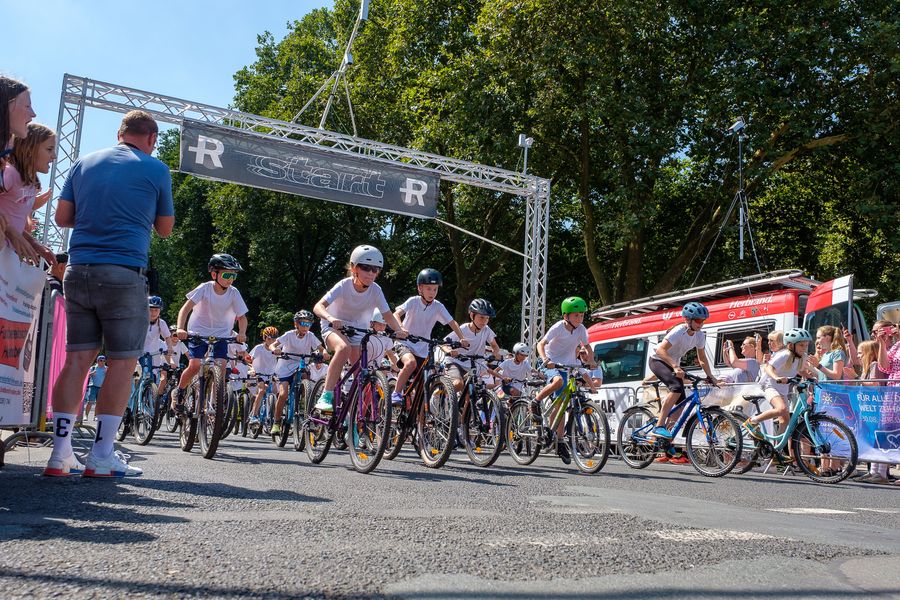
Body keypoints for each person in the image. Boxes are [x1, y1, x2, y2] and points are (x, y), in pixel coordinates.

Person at [44, 110, 174, 477]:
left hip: (78, 270)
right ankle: (101, 455)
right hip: (123, 273)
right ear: (151, 138)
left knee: (76, 361)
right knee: (122, 363)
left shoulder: (84, 162)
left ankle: (60, 454)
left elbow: (62, 217)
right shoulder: (156, 169)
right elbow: (164, 229)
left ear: (120, 133)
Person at [312, 245, 407, 413]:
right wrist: (331, 318)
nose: (371, 273)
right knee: (343, 349)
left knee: (361, 376)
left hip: (357, 331)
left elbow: (388, 315)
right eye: (366, 268)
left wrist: (399, 330)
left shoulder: (376, 290)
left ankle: (355, 419)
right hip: (334, 327)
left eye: (376, 269)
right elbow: (318, 306)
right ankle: (326, 395)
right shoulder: (343, 285)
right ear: (354, 268)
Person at [173, 253, 249, 414]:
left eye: (233, 276)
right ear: (214, 274)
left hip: (222, 334)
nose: (230, 279)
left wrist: (242, 333)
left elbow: (242, 317)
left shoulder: (234, 293)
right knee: (195, 365)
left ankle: (214, 402)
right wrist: (180, 328)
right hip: (198, 332)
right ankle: (179, 391)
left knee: (221, 366)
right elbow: (185, 309)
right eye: (227, 275)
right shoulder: (205, 288)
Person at [391, 268, 469, 407]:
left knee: (423, 388)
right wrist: (401, 328)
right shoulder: (413, 301)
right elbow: (396, 314)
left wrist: (462, 338)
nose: (432, 293)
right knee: (410, 363)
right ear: (420, 288)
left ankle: (420, 424)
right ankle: (396, 393)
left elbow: (452, 322)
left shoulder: (438, 306)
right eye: (428, 289)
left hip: (423, 347)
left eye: (435, 289)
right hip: (406, 342)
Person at [533, 296, 596, 464]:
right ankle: (536, 401)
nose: (580, 318)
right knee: (559, 383)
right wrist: (546, 359)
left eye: (582, 315)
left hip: (567, 364)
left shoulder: (581, 329)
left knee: (562, 406)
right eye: (576, 315)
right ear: (566, 316)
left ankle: (560, 442)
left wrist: (590, 361)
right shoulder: (558, 327)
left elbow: (588, 346)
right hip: (550, 361)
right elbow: (540, 344)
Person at [646, 302, 719, 440]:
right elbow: (661, 350)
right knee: (676, 388)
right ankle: (659, 426)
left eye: (703, 321)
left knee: (681, 402)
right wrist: (675, 367)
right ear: (687, 319)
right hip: (658, 360)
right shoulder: (679, 331)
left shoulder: (700, 336)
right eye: (698, 320)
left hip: (672, 364)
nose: (701, 324)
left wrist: (710, 376)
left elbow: (702, 358)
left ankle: (664, 439)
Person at [0, 122, 56, 265]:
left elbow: (12, 222)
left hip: (7, 257)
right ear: (30, 149)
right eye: (49, 149)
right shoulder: (10, 173)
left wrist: (33, 243)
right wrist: (11, 232)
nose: (54, 156)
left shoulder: (31, 185)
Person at [742, 328, 814, 440]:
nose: (804, 348)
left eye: (806, 345)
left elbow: (800, 370)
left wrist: (811, 378)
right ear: (790, 345)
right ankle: (751, 422)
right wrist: (776, 377)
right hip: (769, 385)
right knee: (781, 409)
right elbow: (769, 368)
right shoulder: (785, 354)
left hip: (782, 389)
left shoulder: (801, 357)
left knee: (785, 421)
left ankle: (777, 451)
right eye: (801, 345)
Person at [271, 311, 326, 436]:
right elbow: (274, 345)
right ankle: (277, 422)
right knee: (283, 394)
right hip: (285, 366)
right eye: (303, 323)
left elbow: (321, 348)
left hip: (301, 365)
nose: (306, 326)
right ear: (296, 324)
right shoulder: (289, 335)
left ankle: (305, 405)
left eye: (309, 323)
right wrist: (275, 349)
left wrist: (325, 353)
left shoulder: (310, 336)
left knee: (306, 379)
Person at [443, 298, 503, 394]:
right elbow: (445, 343)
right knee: (458, 384)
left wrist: (496, 354)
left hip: (472, 365)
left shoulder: (486, 330)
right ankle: (439, 394)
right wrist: (449, 351)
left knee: (471, 392)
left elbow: (495, 346)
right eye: (481, 317)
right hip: (456, 362)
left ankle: (464, 409)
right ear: (472, 315)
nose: (484, 321)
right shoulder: (463, 329)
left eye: (487, 318)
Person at [248, 327, 279, 425]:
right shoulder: (259, 348)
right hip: (259, 373)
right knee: (262, 390)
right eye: (269, 339)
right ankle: (254, 415)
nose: (271, 341)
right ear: (264, 338)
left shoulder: (277, 349)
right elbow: (250, 360)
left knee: (276, 392)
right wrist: (252, 369)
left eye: (274, 339)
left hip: (271, 374)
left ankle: (273, 414)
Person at [144, 295, 173, 392]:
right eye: (151, 310)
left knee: (153, 376)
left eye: (156, 310)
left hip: (154, 354)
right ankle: (130, 403)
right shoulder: (140, 321)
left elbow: (167, 337)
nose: (153, 313)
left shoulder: (161, 323)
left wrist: (169, 348)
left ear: (160, 311)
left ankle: (151, 398)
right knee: (136, 375)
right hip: (139, 352)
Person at [82, 356, 107, 421]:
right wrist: (91, 373)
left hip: (102, 388)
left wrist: (107, 373)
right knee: (90, 402)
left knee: (98, 403)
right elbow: (86, 376)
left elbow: (111, 378)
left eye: (104, 360)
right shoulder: (93, 368)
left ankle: (95, 416)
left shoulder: (106, 368)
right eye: (101, 360)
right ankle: (86, 415)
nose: (103, 362)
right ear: (97, 361)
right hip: (93, 386)